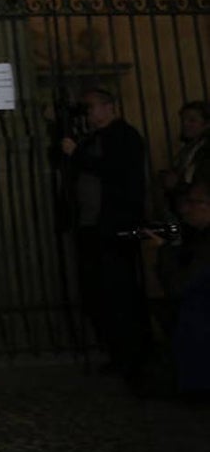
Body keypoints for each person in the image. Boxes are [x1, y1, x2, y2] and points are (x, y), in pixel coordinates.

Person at [61, 88, 150, 385]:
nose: (88, 114)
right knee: (99, 292)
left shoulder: (124, 136)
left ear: (109, 107)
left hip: (115, 226)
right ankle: (117, 352)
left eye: (92, 107)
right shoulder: (93, 139)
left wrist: (78, 155)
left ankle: (133, 356)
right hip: (93, 225)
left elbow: (116, 171)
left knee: (120, 291)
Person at [151, 181, 210, 401]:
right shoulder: (199, 239)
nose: (186, 209)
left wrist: (165, 253)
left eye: (193, 203)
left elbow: (180, 285)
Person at [158, 101, 210, 211]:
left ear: (206, 124)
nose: (185, 124)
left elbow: (203, 182)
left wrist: (177, 184)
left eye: (192, 120)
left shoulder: (206, 150)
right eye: (183, 120)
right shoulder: (187, 150)